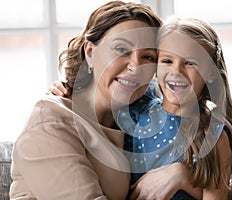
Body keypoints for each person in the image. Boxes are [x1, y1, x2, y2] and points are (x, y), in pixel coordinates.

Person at [50, 16, 232, 200]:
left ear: (211, 72)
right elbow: (101, 95)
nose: (176, 71)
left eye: (191, 63)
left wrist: (185, 180)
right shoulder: (136, 108)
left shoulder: (211, 133)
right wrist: (65, 87)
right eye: (167, 60)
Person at [10, 1, 162, 199]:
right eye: (121, 49)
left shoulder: (139, 122)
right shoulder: (50, 120)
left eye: (149, 57)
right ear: (90, 52)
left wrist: (180, 176)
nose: (135, 66)